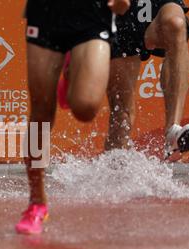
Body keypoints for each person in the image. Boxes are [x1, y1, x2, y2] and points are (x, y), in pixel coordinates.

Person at [17, 0, 131, 235]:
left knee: (85, 107)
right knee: (41, 109)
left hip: (93, 12)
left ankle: (70, 70)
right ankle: (36, 203)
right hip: (47, 13)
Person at [105, 0, 189, 159]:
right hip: (121, 13)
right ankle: (114, 174)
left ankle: (172, 131)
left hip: (159, 4)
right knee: (121, 118)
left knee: (175, 24)